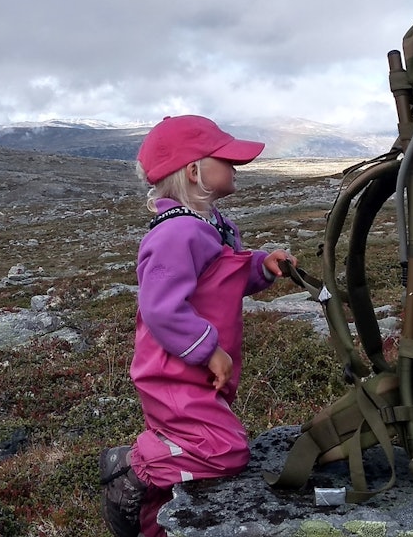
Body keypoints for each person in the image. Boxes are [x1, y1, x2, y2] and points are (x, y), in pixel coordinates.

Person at [100, 115, 296, 537]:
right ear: (194, 171)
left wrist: (262, 265)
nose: (236, 166)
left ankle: (153, 528)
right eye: (225, 158)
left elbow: (220, 280)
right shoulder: (177, 234)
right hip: (172, 373)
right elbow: (161, 308)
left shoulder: (210, 226)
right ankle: (130, 467)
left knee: (191, 459)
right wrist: (209, 350)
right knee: (223, 451)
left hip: (192, 372)